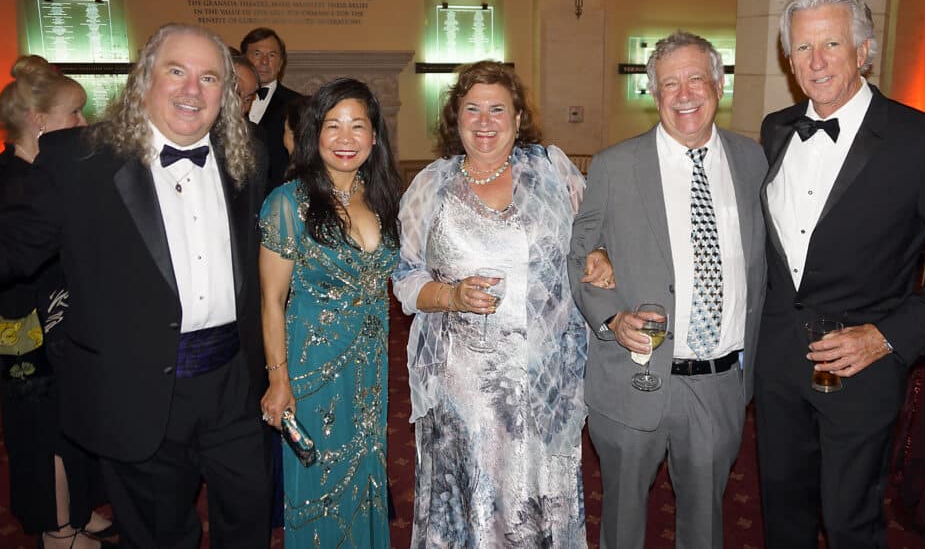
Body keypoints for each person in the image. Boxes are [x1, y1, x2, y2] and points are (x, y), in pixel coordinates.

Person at [0, 24, 272, 548]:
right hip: (136, 388)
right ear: (144, 80)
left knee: (249, 521)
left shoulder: (247, 154)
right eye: (176, 71)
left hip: (233, 382)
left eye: (209, 77)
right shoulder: (79, 160)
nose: (192, 90)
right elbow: (7, 247)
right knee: (160, 535)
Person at [757, 0, 925, 548]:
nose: (816, 62)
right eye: (802, 48)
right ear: (788, 59)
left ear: (864, 51)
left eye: (831, 44)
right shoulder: (775, 129)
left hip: (862, 372)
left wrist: (886, 337)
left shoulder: (924, 142)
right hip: (777, 365)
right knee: (782, 515)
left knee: (851, 524)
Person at [392, 60, 611, 547]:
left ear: (518, 118)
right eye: (472, 109)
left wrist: (599, 254)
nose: (485, 121)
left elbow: (593, 236)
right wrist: (450, 295)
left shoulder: (552, 170)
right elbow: (405, 278)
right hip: (461, 387)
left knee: (535, 503)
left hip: (544, 383)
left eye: (497, 109)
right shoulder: (431, 185)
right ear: (456, 117)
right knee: (472, 503)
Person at [568, 32, 767, 549]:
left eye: (696, 79)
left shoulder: (753, 162)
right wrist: (612, 317)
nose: (684, 95)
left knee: (705, 524)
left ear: (719, 86)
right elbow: (579, 252)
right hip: (633, 378)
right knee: (622, 523)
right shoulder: (615, 165)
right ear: (654, 95)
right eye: (669, 83)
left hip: (719, 383)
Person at [259, 78, 402, 547]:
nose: (345, 138)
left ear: (374, 136)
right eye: (332, 125)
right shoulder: (288, 203)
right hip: (312, 371)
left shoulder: (381, 196)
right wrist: (278, 380)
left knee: (366, 471)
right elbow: (272, 300)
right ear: (314, 134)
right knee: (319, 484)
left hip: (370, 369)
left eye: (357, 126)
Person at [0, 56, 115, 549]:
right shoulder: (14, 182)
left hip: (57, 326)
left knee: (72, 421)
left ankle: (76, 511)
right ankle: (59, 529)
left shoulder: (38, 171)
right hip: (32, 334)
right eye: (74, 114)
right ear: (40, 121)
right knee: (46, 432)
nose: (82, 124)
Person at [242, 27, 299, 190]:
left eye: (272, 55)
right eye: (257, 54)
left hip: (278, 195)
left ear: (281, 63)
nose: (264, 62)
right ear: (244, 59)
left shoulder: (298, 105)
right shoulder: (225, 100)